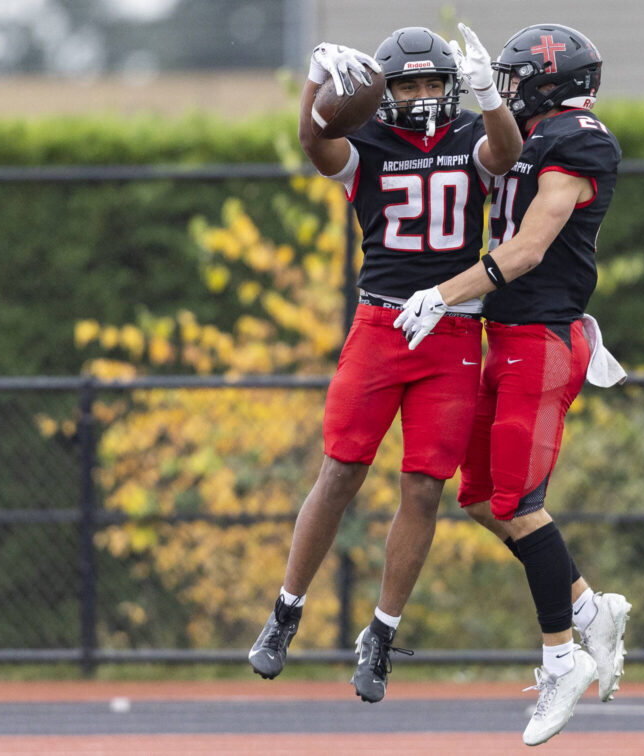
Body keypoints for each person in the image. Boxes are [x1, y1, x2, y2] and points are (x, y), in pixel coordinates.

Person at [248, 24, 523, 703]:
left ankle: (381, 631)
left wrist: (490, 95)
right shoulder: (367, 142)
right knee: (341, 470)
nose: (425, 95)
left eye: (435, 82)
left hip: (454, 328)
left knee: (425, 485)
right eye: (409, 84)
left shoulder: (468, 137)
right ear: (384, 92)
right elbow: (314, 142)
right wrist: (315, 82)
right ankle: (286, 611)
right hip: (381, 324)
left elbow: (507, 150)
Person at [393, 23, 631, 745]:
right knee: (474, 494)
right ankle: (593, 611)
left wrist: (443, 292)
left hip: (543, 337)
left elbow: (526, 250)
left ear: (553, 83)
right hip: (504, 336)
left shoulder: (579, 141)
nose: (512, 91)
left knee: (518, 502)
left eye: (520, 80)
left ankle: (561, 657)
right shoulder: (530, 133)